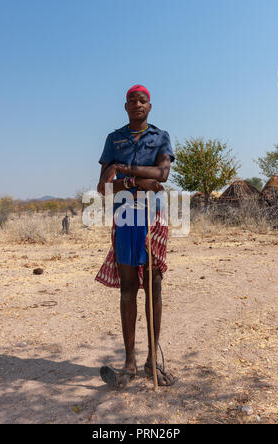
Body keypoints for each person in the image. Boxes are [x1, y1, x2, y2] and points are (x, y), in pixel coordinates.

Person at [95, 85, 176, 388]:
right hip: (124, 217)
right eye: (132, 101)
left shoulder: (161, 136)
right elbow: (103, 187)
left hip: (154, 217)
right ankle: (129, 363)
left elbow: (163, 175)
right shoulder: (113, 138)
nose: (137, 105)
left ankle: (151, 362)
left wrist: (123, 171)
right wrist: (138, 178)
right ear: (125, 106)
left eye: (142, 101)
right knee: (128, 287)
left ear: (149, 107)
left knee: (153, 285)